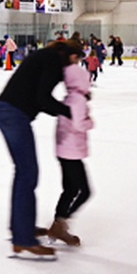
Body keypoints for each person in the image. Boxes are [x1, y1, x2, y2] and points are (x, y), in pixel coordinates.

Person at [0, 40, 79, 260]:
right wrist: (69, 111)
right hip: (13, 114)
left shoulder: (46, 57)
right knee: (27, 173)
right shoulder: (53, 60)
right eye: (76, 59)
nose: (76, 65)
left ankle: (21, 228)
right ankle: (23, 240)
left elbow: (39, 95)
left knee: (23, 172)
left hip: (9, 112)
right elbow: (43, 99)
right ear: (69, 55)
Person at [49, 63, 94, 247]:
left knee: (69, 190)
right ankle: (60, 223)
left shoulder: (69, 98)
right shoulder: (78, 100)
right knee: (84, 191)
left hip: (64, 150)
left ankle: (58, 223)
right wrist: (89, 122)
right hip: (72, 151)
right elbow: (78, 124)